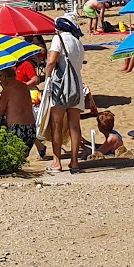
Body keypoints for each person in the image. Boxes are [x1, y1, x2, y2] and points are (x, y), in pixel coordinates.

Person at [43, 26, 86, 173]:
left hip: (61, 87)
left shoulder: (58, 39)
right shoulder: (77, 41)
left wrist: (47, 78)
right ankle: (74, 162)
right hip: (76, 86)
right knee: (75, 125)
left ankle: (57, 162)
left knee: (57, 125)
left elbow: (52, 61)